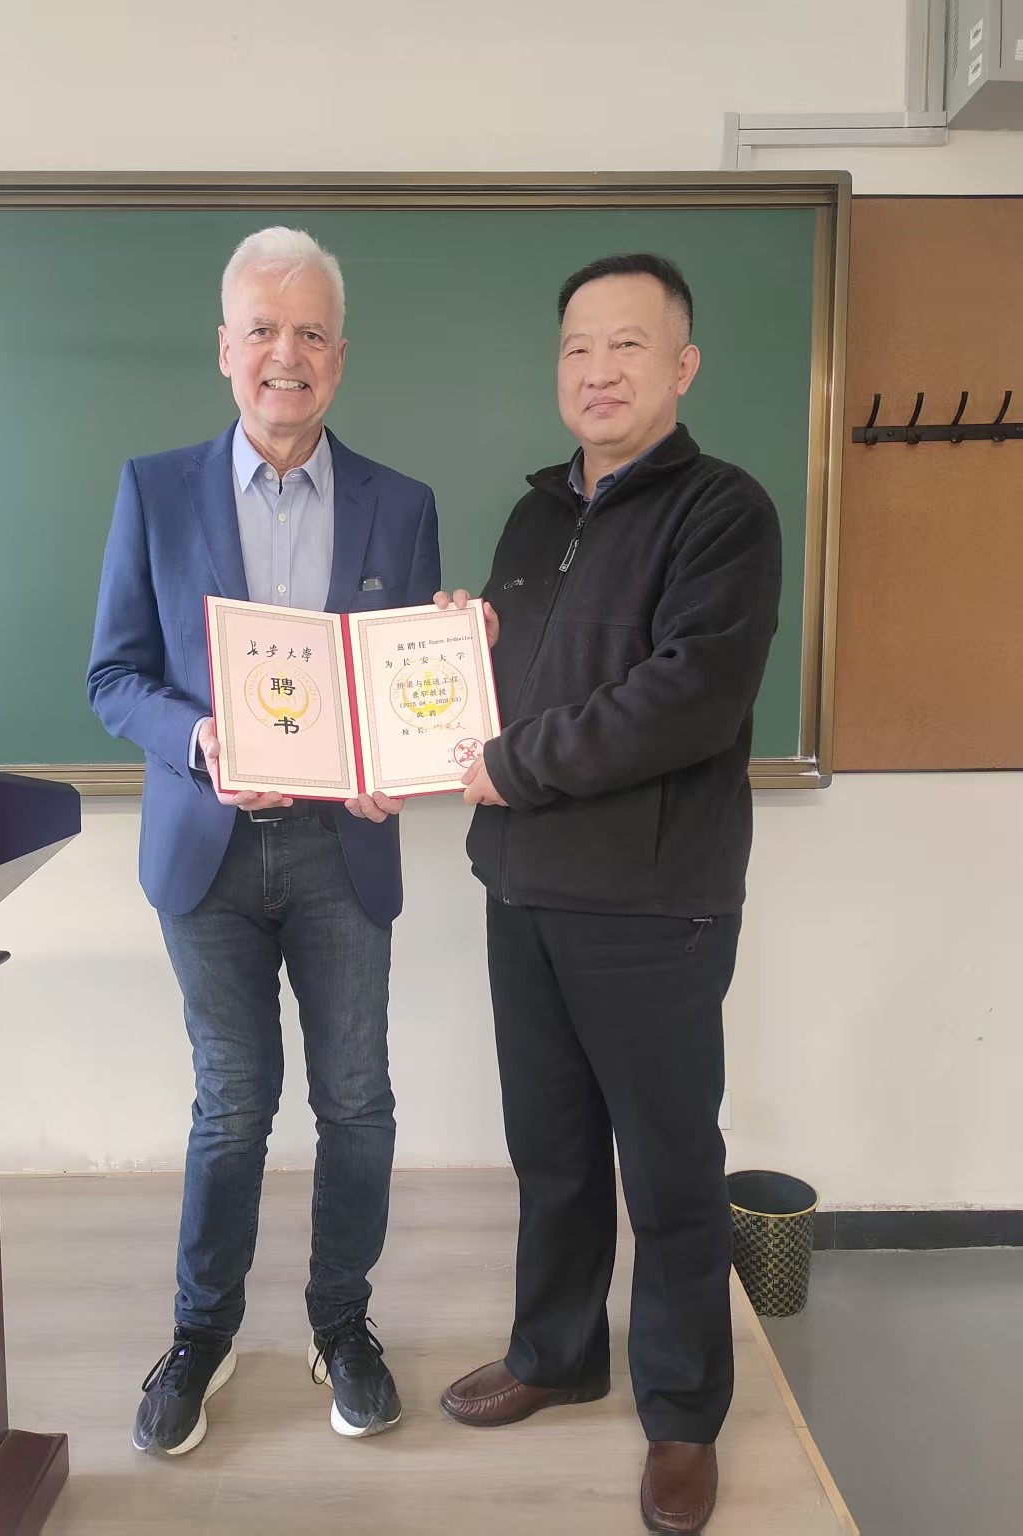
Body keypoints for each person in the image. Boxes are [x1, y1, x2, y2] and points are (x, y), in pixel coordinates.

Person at [436, 253, 781, 1535]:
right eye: (578, 347)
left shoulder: (725, 512)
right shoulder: (536, 517)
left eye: (627, 346)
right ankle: (557, 1353)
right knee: (554, 1152)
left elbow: (686, 697)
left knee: (671, 1170)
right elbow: (515, 686)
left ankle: (682, 1414)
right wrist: (454, 652)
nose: (598, 371)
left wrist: (514, 764)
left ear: (681, 366)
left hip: (652, 904)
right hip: (521, 888)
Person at [87, 226, 440, 1454]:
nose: (286, 354)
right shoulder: (154, 490)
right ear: (225, 349)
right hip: (209, 854)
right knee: (232, 1108)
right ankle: (203, 1332)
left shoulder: (403, 504)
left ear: (339, 356)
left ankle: (342, 1324)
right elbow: (114, 678)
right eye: (262, 330)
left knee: (358, 1103)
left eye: (311, 333)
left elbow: (405, 689)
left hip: (345, 853)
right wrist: (202, 742)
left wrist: (406, 754)